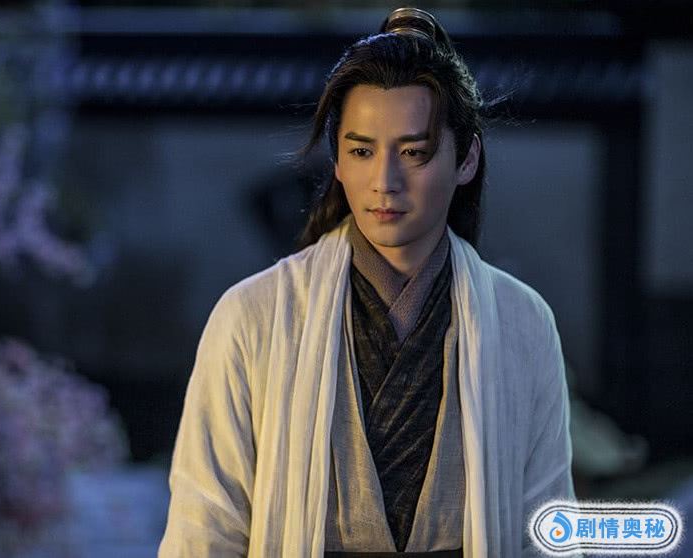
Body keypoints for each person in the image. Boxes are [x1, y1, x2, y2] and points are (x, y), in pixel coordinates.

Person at [159, 7, 576, 558]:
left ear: (467, 158)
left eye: (414, 153)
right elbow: (204, 529)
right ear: (336, 160)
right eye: (361, 151)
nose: (385, 181)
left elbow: (547, 528)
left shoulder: (522, 320)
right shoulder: (253, 315)